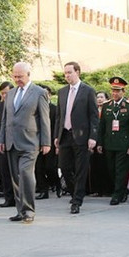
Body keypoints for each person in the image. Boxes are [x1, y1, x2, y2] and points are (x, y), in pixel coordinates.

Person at [0, 62, 51, 223]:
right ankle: (20, 210)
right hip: (11, 141)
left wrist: (46, 142)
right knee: (15, 178)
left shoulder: (39, 93)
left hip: (30, 142)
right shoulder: (11, 93)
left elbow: (45, 119)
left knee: (25, 174)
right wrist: (1, 139)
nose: (17, 79)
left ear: (29, 75)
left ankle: (29, 210)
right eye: (15, 76)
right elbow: (5, 119)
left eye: (20, 76)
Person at [54, 62, 98, 214]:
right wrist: (56, 136)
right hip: (65, 135)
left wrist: (93, 136)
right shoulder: (62, 92)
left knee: (80, 169)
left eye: (69, 72)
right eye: (65, 73)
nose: (67, 76)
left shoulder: (88, 91)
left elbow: (93, 116)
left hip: (82, 136)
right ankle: (75, 193)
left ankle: (77, 201)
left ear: (77, 72)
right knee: (64, 167)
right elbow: (59, 116)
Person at [97, 76, 129, 205]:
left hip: (123, 144)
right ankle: (122, 190)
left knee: (120, 170)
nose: (115, 93)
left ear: (123, 92)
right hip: (109, 143)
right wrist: (100, 143)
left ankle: (117, 194)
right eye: (113, 91)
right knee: (111, 169)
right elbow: (101, 126)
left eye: (118, 91)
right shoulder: (106, 106)